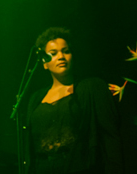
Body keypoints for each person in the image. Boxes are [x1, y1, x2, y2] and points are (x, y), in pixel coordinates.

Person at [25, 28, 123, 174]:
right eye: (53, 54)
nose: (61, 57)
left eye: (66, 51)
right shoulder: (35, 99)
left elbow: (111, 137)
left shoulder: (91, 87)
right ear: (44, 63)